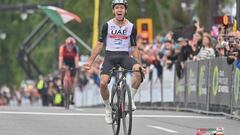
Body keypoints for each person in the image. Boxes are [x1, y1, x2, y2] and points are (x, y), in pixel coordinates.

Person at [83, 0, 144, 124]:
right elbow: (100, 44)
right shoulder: (107, 25)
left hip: (124, 56)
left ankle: (130, 99)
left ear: (125, 10)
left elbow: (134, 47)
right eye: (117, 8)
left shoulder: (131, 27)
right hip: (110, 56)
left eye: (122, 7)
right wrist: (90, 61)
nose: (119, 10)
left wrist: (139, 63)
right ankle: (107, 109)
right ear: (113, 10)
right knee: (103, 83)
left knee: (138, 71)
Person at [58, 36, 79, 104]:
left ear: (74, 45)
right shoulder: (62, 48)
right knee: (62, 70)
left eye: (71, 45)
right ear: (66, 44)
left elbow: (76, 59)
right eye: (69, 45)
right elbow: (61, 58)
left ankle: (72, 94)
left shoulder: (75, 49)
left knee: (73, 79)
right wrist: (60, 67)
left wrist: (76, 67)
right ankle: (61, 83)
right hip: (65, 61)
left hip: (72, 62)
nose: (70, 46)